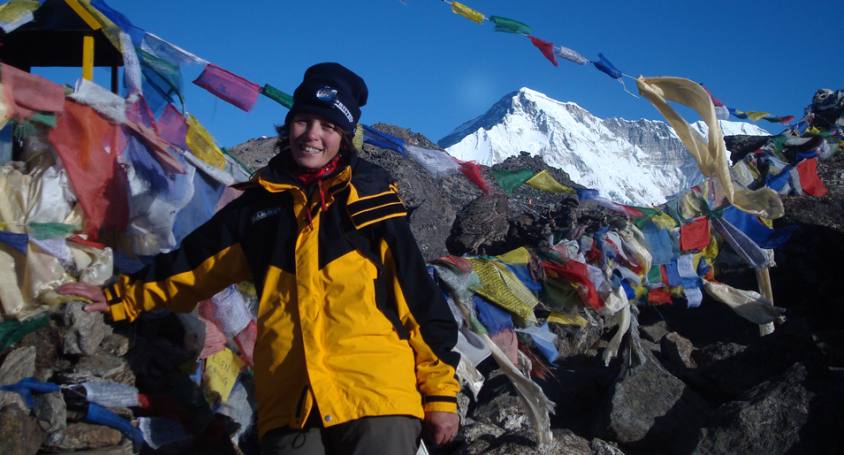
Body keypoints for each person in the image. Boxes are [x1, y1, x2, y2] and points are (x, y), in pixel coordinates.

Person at [60, 62, 461, 455]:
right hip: (290, 404)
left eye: (329, 127)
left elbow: (419, 302)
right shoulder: (257, 209)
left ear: (345, 135)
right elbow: (191, 266)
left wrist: (440, 396)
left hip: (376, 399)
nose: (313, 135)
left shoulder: (372, 201)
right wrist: (122, 297)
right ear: (289, 126)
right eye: (304, 121)